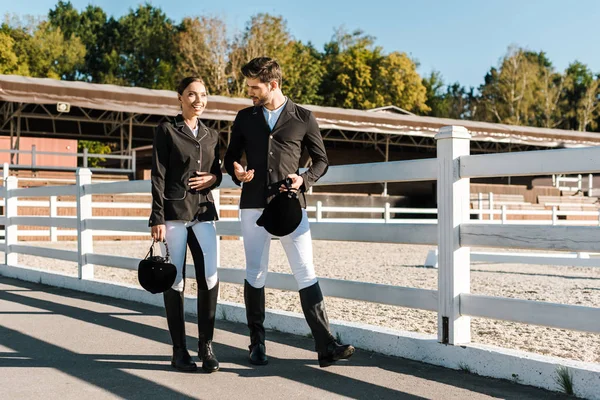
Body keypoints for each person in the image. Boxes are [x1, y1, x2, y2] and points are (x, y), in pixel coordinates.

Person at [224, 57, 355, 368]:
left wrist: (304, 179)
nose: (250, 94)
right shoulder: (244, 118)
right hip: (253, 204)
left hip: (290, 205)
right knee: (255, 273)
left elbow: (321, 161)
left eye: (255, 88)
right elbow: (230, 157)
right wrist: (237, 171)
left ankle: (326, 345)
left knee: (306, 271)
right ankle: (257, 344)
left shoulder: (304, 117)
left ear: (273, 84)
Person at [149, 76, 222, 373]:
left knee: (210, 278)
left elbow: (217, 169)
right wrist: (157, 217)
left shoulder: (212, 134)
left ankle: (206, 347)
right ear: (179, 97)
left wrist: (214, 178)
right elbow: (158, 174)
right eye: (191, 94)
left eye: (203, 95)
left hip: (204, 212)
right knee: (175, 280)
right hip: (175, 213)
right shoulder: (167, 129)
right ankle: (179, 351)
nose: (198, 100)